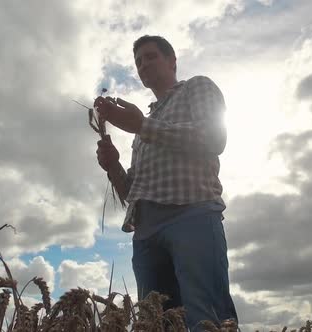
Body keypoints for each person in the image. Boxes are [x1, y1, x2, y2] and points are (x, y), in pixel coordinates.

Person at [94, 35, 239, 331]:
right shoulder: (144, 126)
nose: (143, 64)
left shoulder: (196, 87)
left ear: (172, 61)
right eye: (138, 62)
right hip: (146, 232)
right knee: (156, 321)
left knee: (206, 314)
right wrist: (113, 166)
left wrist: (142, 126)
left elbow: (214, 138)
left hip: (192, 214)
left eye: (150, 57)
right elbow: (132, 192)